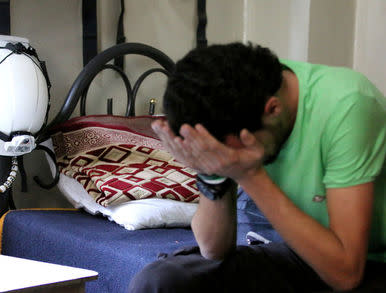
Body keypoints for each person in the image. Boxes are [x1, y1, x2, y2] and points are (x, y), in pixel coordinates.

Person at [127, 42, 385, 292]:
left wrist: (248, 173)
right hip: (303, 256)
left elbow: (346, 275)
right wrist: (211, 172)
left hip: (368, 263)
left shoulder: (347, 105)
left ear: (272, 109)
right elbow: (213, 249)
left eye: (235, 152)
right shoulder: (226, 104)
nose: (228, 159)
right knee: (160, 281)